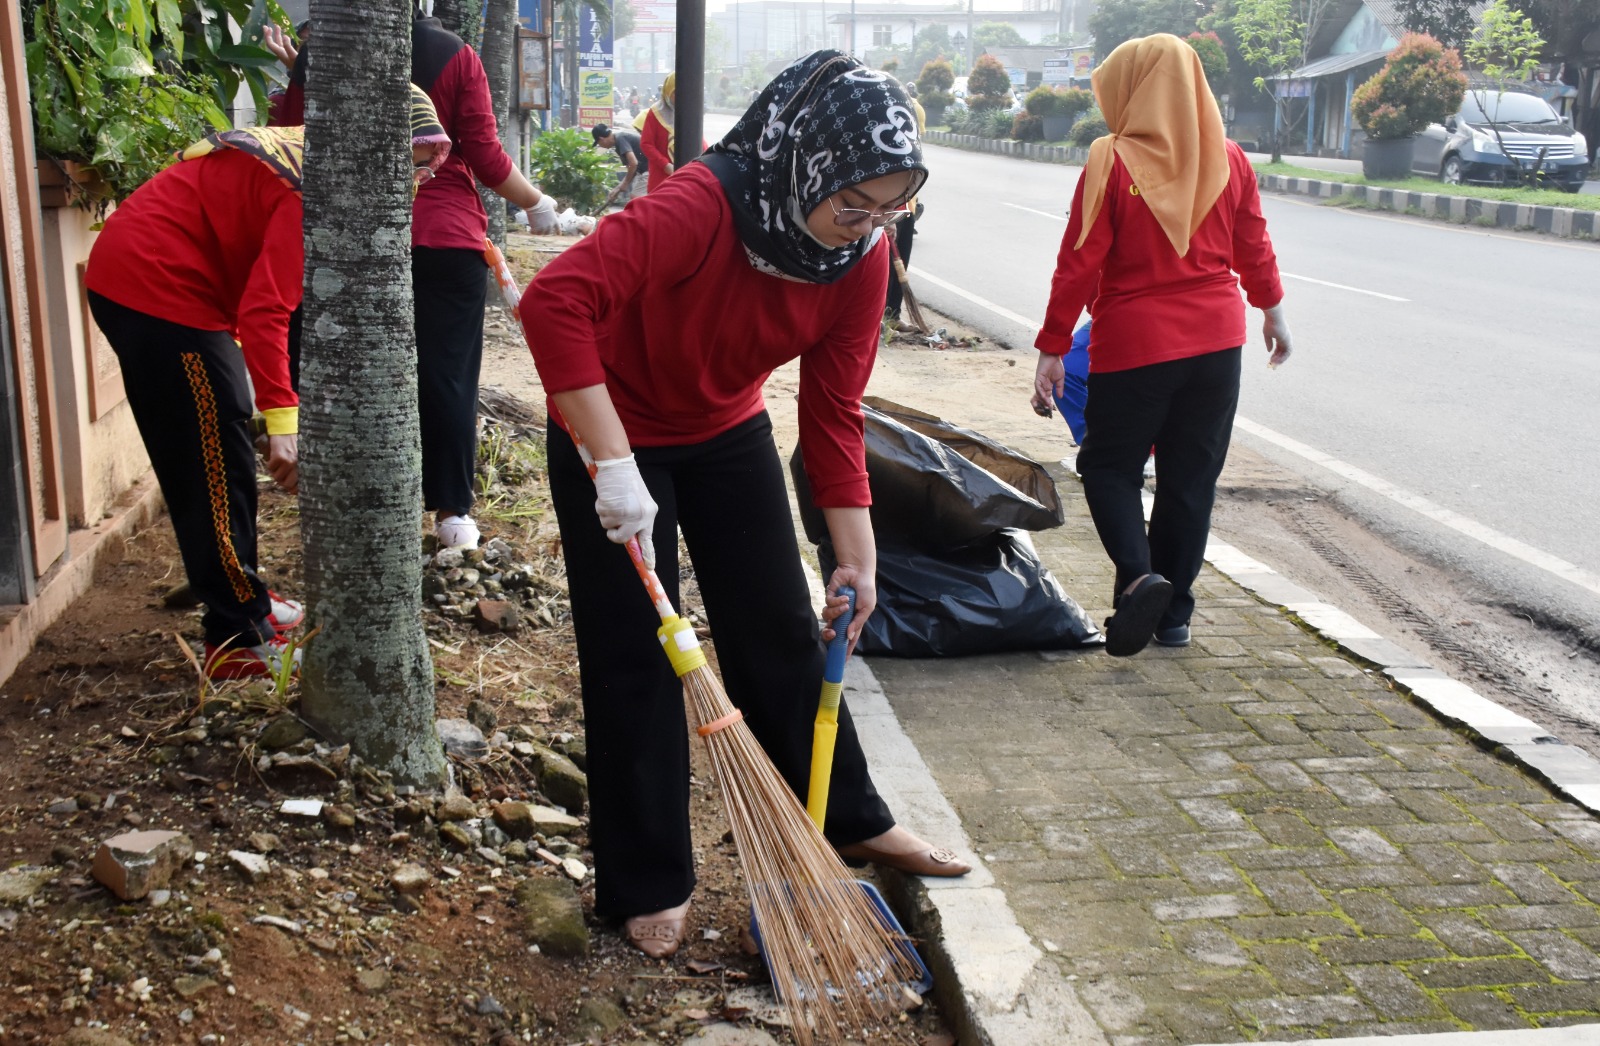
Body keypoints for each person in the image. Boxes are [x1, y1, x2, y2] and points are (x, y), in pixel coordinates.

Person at [520, 50, 971, 960]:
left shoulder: (861, 257)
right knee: (638, 653)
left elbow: (834, 409)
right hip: (613, 424)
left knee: (778, 627)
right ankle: (649, 876)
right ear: (808, 164)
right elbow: (554, 301)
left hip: (727, 431)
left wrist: (858, 554)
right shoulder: (705, 206)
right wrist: (613, 469)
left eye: (890, 210)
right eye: (851, 205)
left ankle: (848, 816)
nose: (865, 229)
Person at [81, 93, 452, 680]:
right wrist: (283, 424)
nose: (422, 176)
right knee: (213, 467)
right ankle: (235, 637)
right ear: (374, 147)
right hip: (157, 287)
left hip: (162, 284)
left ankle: (247, 602)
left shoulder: (316, 156)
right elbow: (265, 311)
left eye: (430, 160)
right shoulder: (312, 191)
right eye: (412, 158)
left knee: (217, 453)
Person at [1030, 33, 1290, 657]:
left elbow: (1079, 262)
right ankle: (1173, 618)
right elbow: (1252, 246)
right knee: (1188, 479)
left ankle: (1141, 576)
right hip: (1219, 343)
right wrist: (1273, 312)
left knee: (1107, 466)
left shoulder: (1110, 160)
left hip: (1137, 345)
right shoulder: (1229, 158)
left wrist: (1052, 346)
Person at [410, 0, 556, 548]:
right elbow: (486, 156)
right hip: (445, 238)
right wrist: (538, 203)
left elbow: (290, 137)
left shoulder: (323, 49)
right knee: (447, 373)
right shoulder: (454, 54)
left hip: (346, 243)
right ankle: (452, 514)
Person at [884, 80, 927, 326]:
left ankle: (892, 315)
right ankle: (879, 315)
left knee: (900, 262)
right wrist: (890, 214)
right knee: (882, 265)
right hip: (890, 206)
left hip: (907, 205)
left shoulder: (913, 110)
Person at [637, 72, 706, 193]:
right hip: (661, 178)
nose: (681, 96)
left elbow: (699, 140)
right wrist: (665, 165)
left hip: (687, 178)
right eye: (676, 92)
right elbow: (646, 144)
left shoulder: (689, 112)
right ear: (668, 91)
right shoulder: (656, 113)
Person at [591, 123, 648, 208]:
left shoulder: (620, 138)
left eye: (598, 143)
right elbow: (632, 169)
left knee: (636, 199)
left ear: (601, 139)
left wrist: (625, 183)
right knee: (637, 199)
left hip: (651, 170)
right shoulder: (618, 141)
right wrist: (617, 189)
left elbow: (633, 163)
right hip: (643, 171)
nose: (601, 146)